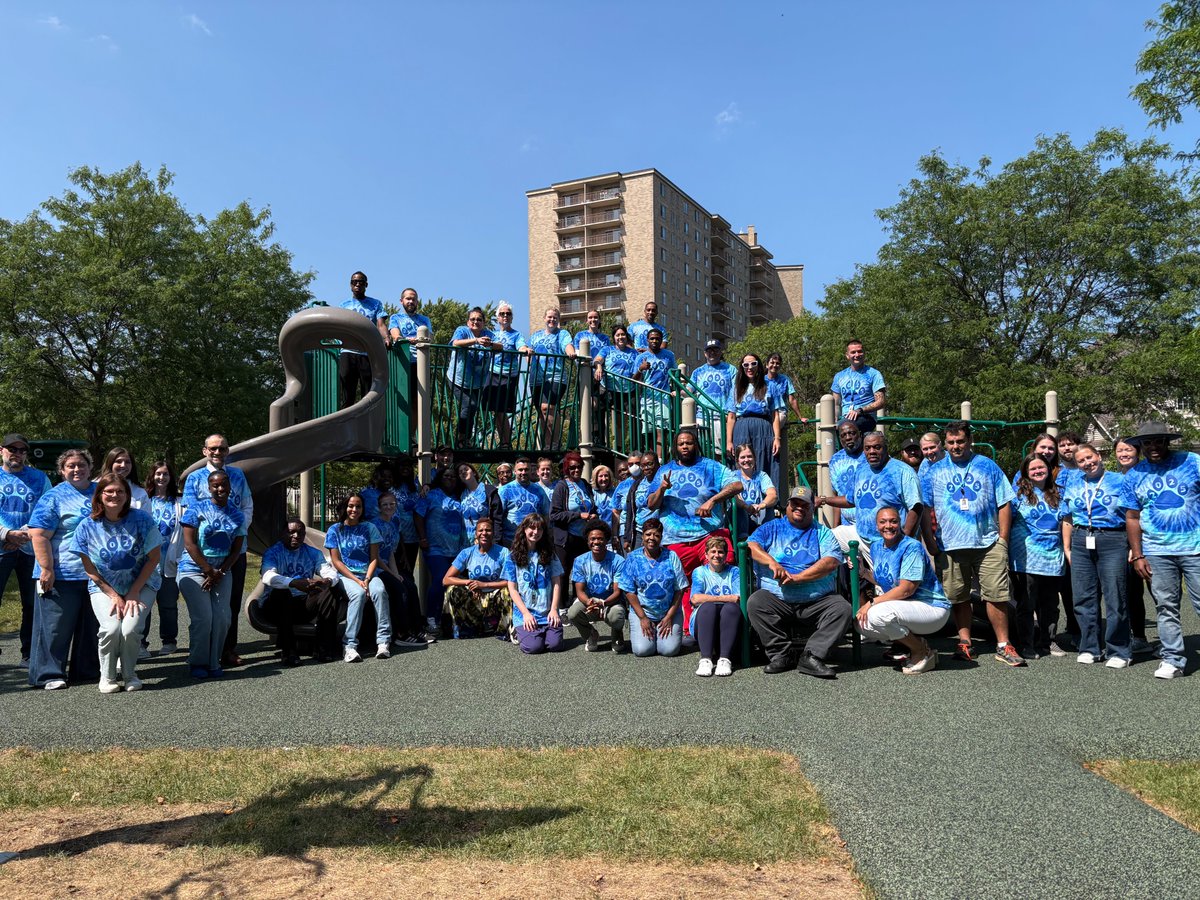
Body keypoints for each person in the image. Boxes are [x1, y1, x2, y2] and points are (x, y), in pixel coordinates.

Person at [920, 421, 1025, 667]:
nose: (956, 446)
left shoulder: (987, 466)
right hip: (950, 545)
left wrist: (1003, 539)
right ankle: (965, 642)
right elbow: (925, 508)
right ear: (945, 444)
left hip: (988, 542)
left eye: (960, 441)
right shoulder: (933, 472)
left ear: (969, 442)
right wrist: (930, 540)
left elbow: (1005, 502)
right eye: (951, 442)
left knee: (996, 595)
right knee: (958, 596)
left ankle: (1003, 644)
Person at [1121, 421, 1200, 680]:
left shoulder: (1192, 462)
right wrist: (1139, 554)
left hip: (1195, 548)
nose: (1153, 446)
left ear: (1168, 441)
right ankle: (1172, 659)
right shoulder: (1134, 475)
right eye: (1147, 442)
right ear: (1140, 446)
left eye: (1158, 441)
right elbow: (1132, 517)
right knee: (1166, 606)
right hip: (1156, 551)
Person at [70, 473, 162, 692]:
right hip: (104, 587)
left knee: (130, 629)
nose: (114, 495)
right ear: (100, 495)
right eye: (109, 491)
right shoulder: (87, 525)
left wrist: (133, 592)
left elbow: (154, 558)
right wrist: (113, 595)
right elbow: (89, 569)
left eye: (120, 491)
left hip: (142, 584)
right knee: (111, 629)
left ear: (127, 495)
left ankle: (130, 674)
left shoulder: (141, 519)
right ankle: (108, 676)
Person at [746, 486, 851, 679]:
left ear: (813, 507)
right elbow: (751, 546)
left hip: (816, 601)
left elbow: (831, 562)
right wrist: (772, 563)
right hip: (777, 599)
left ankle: (812, 656)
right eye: (795, 503)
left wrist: (797, 578)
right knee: (756, 602)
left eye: (805, 505)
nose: (799, 508)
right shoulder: (772, 527)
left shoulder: (823, 533)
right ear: (788, 505)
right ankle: (781, 655)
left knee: (842, 608)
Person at [647, 429, 742, 632]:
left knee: (721, 574)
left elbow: (737, 485)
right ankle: (692, 628)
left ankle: (725, 623)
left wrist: (713, 500)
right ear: (675, 447)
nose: (684, 446)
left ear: (695, 445)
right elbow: (651, 504)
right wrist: (662, 489)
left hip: (709, 534)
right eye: (681, 443)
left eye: (689, 443)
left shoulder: (711, 467)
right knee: (684, 585)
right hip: (676, 538)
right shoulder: (664, 471)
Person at [26, 449, 100, 689]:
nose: (77, 470)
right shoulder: (53, 497)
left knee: (91, 627)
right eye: (71, 466)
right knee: (54, 627)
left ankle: (86, 671)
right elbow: (38, 534)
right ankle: (49, 674)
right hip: (61, 572)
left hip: (93, 574)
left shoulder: (99, 492)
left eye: (81, 465)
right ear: (62, 470)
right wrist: (47, 569)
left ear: (90, 468)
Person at [181, 434, 253, 669]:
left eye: (222, 448)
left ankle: (227, 650)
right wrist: (205, 564)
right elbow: (189, 512)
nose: (217, 452)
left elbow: (246, 506)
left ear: (227, 451)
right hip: (202, 553)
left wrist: (236, 530)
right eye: (213, 448)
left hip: (232, 550)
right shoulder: (194, 478)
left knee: (228, 605)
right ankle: (201, 653)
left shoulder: (238, 475)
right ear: (205, 451)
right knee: (204, 613)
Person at [856, 507, 951, 675]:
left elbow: (906, 589)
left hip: (931, 607)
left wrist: (871, 603)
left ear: (900, 523)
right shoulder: (876, 546)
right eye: (883, 522)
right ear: (876, 525)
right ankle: (914, 643)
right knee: (860, 624)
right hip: (906, 606)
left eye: (893, 521)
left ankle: (921, 651)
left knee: (878, 614)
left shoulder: (911, 547)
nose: (888, 526)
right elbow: (886, 579)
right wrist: (863, 571)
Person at [1061, 443, 1130, 668]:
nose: (1087, 463)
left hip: (1112, 539)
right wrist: (1067, 547)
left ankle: (1119, 650)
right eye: (1081, 461)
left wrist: (1132, 547)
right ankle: (1089, 647)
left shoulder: (1119, 481)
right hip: (1081, 539)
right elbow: (1067, 517)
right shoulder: (1073, 482)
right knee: (1083, 597)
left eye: (1089, 458)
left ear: (1098, 456)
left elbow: (1132, 514)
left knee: (1115, 596)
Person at [177, 469, 246, 679]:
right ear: (209, 488)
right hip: (194, 569)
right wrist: (209, 570)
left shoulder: (237, 514)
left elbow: (236, 550)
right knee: (204, 618)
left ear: (229, 487)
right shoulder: (196, 509)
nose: (220, 489)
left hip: (222, 571)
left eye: (224, 484)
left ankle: (213, 660)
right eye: (215, 485)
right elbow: (189, 544)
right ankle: (198, 662)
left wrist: (220, 572)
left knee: (223, 618)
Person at [818, 431, 922, 569]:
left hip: (888, 541)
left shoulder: (902, 471)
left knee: (887, 587)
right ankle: (819, 587)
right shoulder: (862, 470)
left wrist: (904, 541)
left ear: (886, 448)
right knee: (822, 539)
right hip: (860, 535)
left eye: (877, 447)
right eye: (867, 448)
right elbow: (850, 500)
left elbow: (916, 507)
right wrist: (823, 500)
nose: (871, 451)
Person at [0, 433, 52, 668]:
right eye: (12, 449)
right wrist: (5, 534)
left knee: (32, 603)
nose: (17, 454)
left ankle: (29, 653)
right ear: (2, 450)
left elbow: (48, 510)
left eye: (22, 450)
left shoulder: (39, 478)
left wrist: (22, 534)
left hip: (32, 548)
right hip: (1, 547)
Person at [259, 518, 339, 666]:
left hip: (302, 605)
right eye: (291, 532)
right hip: (275, 607)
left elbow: (330, 572)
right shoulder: (272, 553)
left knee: (330, 592)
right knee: (282, 593)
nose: (296, 536)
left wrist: (326, 581)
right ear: (283, 533)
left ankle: (323, 647)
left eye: (300, 533)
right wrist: (294, 583)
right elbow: (268, 576)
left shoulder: (313, 553)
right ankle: (288, 651)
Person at [1009, 455, 1065, 659]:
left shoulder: (1059, 493)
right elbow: (1007, 520)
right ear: (1025, 472)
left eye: (1041, 467)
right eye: (1033, 469)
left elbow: (1065, 522)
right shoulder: (1017, 495)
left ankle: (1048, 641)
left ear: (1048, 469)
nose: (1038, 471)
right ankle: (1026, 644)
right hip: (1026, 558)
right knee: (1026, 603)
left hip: (1053, 557)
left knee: (1050, 604)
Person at [326, 493, 391, 662]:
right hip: (346, 576)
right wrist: (358, 582)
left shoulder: (370, 528)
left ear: (363, 509)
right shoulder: (335, 530)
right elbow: (336, 561)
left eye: (358, 506)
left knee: (380, 591)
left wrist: (367, 579)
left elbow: (374, 558)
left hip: (368, 574)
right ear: (345, 507)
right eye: (351, 506)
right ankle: (350, 646)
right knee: (358, 594)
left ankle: (383, 642)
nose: (354, 509)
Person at [616, 519, 687, 657]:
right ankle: (645, 630)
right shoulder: (633, 558)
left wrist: (669, 617)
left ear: (661, 537)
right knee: (642, 650)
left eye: (656, 535)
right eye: (648, 534)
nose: (651, 538)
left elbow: (680, 589)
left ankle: (661, 634)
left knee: (668, 650)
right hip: (643, 612)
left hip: (668, 612)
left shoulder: (671, 556)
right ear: (642, 536)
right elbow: (629, 591)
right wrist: (642, 617)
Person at [503, 513, 565, 654]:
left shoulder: (550, 553)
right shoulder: (512, 557)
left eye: (540, 529)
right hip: (526, 612)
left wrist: (554, 609)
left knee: (554, 645)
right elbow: (512, 589)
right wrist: (525, 614)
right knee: (534, 647)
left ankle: (540, 632)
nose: (536, 532)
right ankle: (517, 629)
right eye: (532, 528)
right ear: (524, 529)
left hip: (547, 611)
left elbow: (556, 583)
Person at [1113, 438, 1153, 654]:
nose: (1124, 453)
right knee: (1131, 591)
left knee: (1159, 591)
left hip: (1150, 541)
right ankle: (1138, 636)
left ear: (1138, 452)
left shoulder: (1146, 475)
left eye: (1128, 449)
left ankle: (1169, 641)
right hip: (1123, 541)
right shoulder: (1116, 479)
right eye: (1120, 450)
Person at [415, 467, 465, 636]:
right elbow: (418, 514)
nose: (450, 479)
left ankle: (449, 621)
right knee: (440, 580)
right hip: (435, 547)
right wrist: (422, 538)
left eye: (453, 477)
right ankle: (431, 620)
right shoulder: (431, 494)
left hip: (456, 548)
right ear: (440, 478)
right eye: (446, 476)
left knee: (454, 584)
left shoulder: (459, 497)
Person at [372, 492, 426, 647]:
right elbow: (375, 556)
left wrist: (395, 573)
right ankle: (402, 633)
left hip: (387, 566)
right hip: (375, 568)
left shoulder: (394, 522)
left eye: (392, 504)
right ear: (379, 507)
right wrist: (392, 575)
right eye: (385, 505)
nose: (389, 507)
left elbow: (389, 552)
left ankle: (417, 629)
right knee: (399, 588)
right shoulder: (375, 525)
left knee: (410, 585)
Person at [142, 461, 184, 655]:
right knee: (144, 605)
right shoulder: (144, 499)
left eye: (165, 474)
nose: (162, 477)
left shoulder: (179, 502)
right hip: (147, 563)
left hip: (169, 560)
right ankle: (141, 643)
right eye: (158, 473)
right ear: (152, 476)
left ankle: (169, 642)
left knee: (168, 605)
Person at [444, 519, 511, 637]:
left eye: (488, 530)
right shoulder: (467, 552)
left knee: (508, 591)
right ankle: (464, 627)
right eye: (481, 530)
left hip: (494, 595)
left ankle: (502, 630)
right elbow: (446, 579)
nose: (484, 533)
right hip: (474, 596)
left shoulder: (503, 552)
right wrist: (469, 582)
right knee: (452, 590)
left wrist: (484, 585)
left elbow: (511, 581)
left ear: (493, 533)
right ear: (476, 534)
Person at [568, 521, 627, 652]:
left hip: (611, 602)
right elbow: (580, 591)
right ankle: (591, 634)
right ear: (587, 541)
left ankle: (617, 632)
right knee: (572, 613)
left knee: (617, 614)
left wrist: (602, 603)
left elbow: (618, 592)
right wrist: (589, 601)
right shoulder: (580, 561)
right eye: (592, 539)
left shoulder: (618, 561)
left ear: (606, 540)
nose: (596, 542)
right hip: (589, 603)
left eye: (600, 539)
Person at [726, 353, 782, 490]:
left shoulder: (770, 386)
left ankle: (767, 502)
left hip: (764, 428)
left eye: (753, 364)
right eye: (746, 365)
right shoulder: (736, 388)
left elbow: (775, 415)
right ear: (742, 368)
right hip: (741, 427)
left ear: (759, 365)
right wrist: (729, 441)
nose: (749, 367)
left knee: (765, 460)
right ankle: (742, 501)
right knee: (743, 461)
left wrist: (777, 438)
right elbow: (731, 416)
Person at [690, 535, 742, 677]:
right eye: (713, 552)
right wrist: (723, 598)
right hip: (704, 619)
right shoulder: (700, 572)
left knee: (731, 608)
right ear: (706, 555)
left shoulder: (734, 571)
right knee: (708, 607)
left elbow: (737, 598)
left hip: (727, 619)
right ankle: (705, 659)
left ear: (725, 555)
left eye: (720, 552)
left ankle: (725, 659)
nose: (716, 555)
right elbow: (695, 598)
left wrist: (710, 598)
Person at [339, 271, 390, 408]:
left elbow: (380, 324)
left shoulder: (375, 304)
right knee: (347, 395)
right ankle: (345, 426)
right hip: (348, 352)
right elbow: (340, 327)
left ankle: (367, 426)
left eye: (361, 282)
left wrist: (386, 338)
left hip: (367, 353)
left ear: (366, 285)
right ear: (350, 285)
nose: (357, 284)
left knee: (367, 394)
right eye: (354, 282)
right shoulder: (344, 305)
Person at [486, 301, 532, 449]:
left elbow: (521, 346)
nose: (505, 316)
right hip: (493, 373)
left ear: (512, 318)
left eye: (508, 314)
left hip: (508, 374)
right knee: (496, 411)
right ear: (497, 317)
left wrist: (525, 350)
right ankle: (504, 442)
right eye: (502, 314)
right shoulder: (492, 334)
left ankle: (506, 442)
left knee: (503, 410)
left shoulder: (516, 334)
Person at [528, 307, 576, 448]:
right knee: (541, 411)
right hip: (536, 378)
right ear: (544, 318)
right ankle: (547, 444)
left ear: (558, 320)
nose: (552, 320)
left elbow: (567, 345)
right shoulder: (536, 335)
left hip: (555, 376)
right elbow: (529, 352)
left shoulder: (562, 334)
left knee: (548, 407)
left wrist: (571, 353)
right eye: (549, 317)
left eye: (555, 317)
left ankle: (555, 443)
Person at [448, 307, 495, 446]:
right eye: (472, 319)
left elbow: (501, 347)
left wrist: (490, 344)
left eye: (479, 319)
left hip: (477, 382)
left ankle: (466, 440)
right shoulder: (462, 330)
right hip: (457, 379)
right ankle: (461, 439)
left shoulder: (489, 334)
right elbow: (455, 343)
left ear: (484, 322)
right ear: (468, 322)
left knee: (472, 410)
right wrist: (476, 341)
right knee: (469, 405)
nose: (476, 322)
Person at [551, 451, 596, 588]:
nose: (576, 470)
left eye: (579, 467)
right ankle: (563, 605)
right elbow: (554, 515)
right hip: (566, 538)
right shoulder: (562, 487)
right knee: (564, 572)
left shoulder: (584, 484)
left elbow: (591, 506)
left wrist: (593, 515)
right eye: (572, 467)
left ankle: (579, 601)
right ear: (567, 469)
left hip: (583, 537)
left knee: (582, 572)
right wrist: (578, 515)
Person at [594, 325, 639, 453]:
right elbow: (597, 360)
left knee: (623, 420)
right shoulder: (607, 350)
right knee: (599, 410)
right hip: (608, 387)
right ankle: (599, 441)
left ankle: (622, 448)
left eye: (623, 334)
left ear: (626, 336)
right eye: (618, 335)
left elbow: (637, 370)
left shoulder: (634, 353)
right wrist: (599, 367)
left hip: (627, 390)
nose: (620, 337)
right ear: (614, 337)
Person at [634, 328, 677, 458]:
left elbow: (675, 374)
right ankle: (650, 459)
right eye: (652, 338)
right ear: (647, 340)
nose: (654, 341)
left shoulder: (668, 355)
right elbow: (633, 380)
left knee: (661, 430)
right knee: (648, 432)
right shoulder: (641, 357)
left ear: (661, 340)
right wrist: (640, 369)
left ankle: (659, 459)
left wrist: (676, 389)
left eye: (657, 338)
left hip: (663, 396)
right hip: (647, 398)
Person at [830, 339, 886, 433]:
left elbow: (881, 401)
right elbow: (836, 404)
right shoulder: (839, 376)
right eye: (853, 352)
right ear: (847, 355)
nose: (857, 355)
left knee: (847, 427)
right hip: (845, 418)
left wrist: (860, 410)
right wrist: (834, 418)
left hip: (865, 417)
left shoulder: (874, 374)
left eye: (859, 351)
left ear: (864, 353)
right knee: (832, 430)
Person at [691, 340, 738, 450]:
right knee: (702, 450)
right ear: (705, 353)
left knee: (720, 452)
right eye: (709, 350)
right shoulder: (698, 371)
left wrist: (730, 412)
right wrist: (677, 391)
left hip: (721, 416)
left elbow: (735, 392)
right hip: (702, 416)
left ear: (721, 352)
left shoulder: (730, 369)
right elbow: (689, 389)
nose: (712, 353)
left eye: (715, 350)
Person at [498, 457, 549, 547]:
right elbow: (497, 516)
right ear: (514, 471)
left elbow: (546, 515)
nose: (523, 472)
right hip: (510, 541)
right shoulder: (504, 490)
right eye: (520, 470)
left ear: (531, 471)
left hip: (534, 541)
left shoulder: (539, 490)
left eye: (526, 470)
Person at [732, 442, 777, 536]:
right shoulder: (732, 476)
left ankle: (766, 536)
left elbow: (773, 495)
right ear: (737, 460)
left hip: (758, 514)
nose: (746, 460)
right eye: (743, 457)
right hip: (740, 516)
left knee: (769, 507)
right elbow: (735, 497)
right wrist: (746, 507)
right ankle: (743, 540)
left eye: (749, 456)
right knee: (739, 510)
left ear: (755, 458)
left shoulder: (761, 475)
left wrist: (761, 505)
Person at [622, 451, 661, 553]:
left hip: (659, 532)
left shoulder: (664, 482)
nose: (646, 468)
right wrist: (627, 538)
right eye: (643, 465)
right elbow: (630, 512)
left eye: (650, 464)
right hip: (639, 532)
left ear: (657, 464)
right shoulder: (637, 485)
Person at [392, 458, 422, 578]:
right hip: (396, 538)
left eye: (408, 466)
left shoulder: (414, 486)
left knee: (408, 572)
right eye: (402, 465)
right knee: (398, 572)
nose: (405, 468)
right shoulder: (392, 487)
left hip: (413, 538)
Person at [457, 462, 504, 538]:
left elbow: (497, 519)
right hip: (464, 542)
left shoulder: (489, 491)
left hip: (484, 540)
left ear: (474, 473)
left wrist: (496, 540)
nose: (463, 472)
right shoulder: (459, 494)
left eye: (466, 469)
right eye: (460, 472)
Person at [765, 353, 802, 421]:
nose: (775, 365)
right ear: (767, 365)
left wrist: (800, 417)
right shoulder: (761, 380)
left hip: (780, 412)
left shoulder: (785, 380)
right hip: (765, 412)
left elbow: (792, 400)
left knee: (774, 426)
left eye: (777, 363)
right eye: (772, 362)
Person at [591, 464, 616, 544]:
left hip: (612, 533)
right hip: (595, 534)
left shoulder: (615, 492)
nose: (604, 479)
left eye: (606, 476)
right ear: (595, 478)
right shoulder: (591, 493)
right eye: (600, 476)